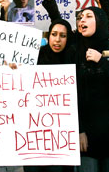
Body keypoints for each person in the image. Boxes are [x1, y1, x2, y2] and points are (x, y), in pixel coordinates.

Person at [75, 7, 109, 172]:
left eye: (88, 16)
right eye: (81, 17)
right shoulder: (76, 50)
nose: (82, 20)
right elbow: (76, 94)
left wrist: (102, 61)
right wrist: (80, 129)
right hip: (86, 137)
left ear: (100, 21)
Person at [25, 19, 75, 172]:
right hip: (33, 133)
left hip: (61, 136)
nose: (57, 40)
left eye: (63, 36)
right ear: (48, 36)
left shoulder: (73, 59)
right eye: (54, 34)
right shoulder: (34, 57)